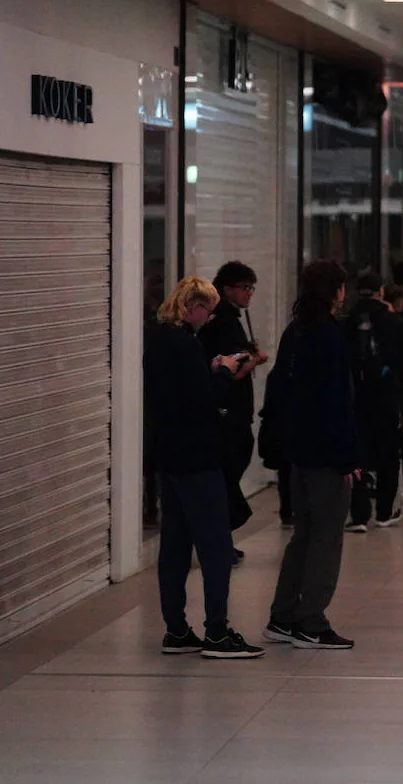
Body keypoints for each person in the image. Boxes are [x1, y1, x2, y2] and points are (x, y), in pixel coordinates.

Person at [145, 276, 262, 659]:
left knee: (175, 546)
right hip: (198, 458)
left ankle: (176, 629)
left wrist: (210, 370)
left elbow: (179, 393)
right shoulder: (185, 344)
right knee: (215, 545)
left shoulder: (158, 340)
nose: (208, 319)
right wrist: (227, 372)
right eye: (207, 311)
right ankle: (216, 632)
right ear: (192, 305)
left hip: (169, 457)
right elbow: (202, 402)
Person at [263, 260, 362, 651]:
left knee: (303, 536)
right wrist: (348, 456)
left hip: (298, 453)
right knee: (326, 537)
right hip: (325, 455)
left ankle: (283, 616)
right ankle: (311, 621)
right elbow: (337, 402)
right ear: (336, 290)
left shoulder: (296, 332)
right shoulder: (330, 337)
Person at [198, 261, 268, 561]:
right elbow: (232, 366)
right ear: (227, 288)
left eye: (252, 288)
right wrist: (254, 358)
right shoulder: (224, 319)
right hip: (230, 411)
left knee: (227, 478)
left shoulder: (223, 318)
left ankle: (220, 542)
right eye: (245, 288)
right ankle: (216, 542)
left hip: (230, 409)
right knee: (226, 479)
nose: (250, 294)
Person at [343, 274, 403, 533]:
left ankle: (359, 514)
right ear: (381, 292)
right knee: (387, 452)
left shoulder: (347, 322)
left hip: (354, 398)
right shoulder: (394, 323)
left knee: (357, 454)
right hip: (387, 398)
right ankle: (385, 511)